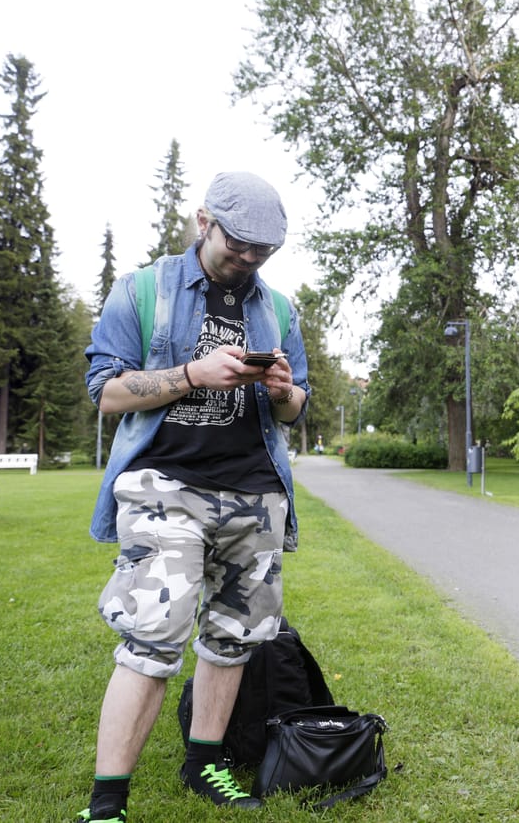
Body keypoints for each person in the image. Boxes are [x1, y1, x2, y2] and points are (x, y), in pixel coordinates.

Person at [77, 172, 310, 822]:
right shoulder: (142, 290)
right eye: (239, 244)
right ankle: (106, 805)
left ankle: (204, 763)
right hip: (165, 487)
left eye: (264, 251)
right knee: (153, 635)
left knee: (236, 636)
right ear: (203, 221)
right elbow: (107, 393)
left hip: (255, 493)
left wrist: (283, 392)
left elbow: (295, 410)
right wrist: (190, 375)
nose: (250, 259)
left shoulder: (278, 309)